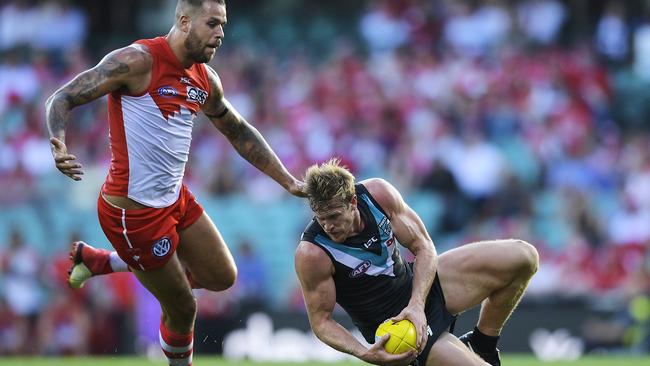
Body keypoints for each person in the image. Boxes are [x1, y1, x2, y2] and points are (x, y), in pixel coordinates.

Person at [45, 1, 303, 365]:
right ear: (184, 21)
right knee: (183, 307)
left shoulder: (205, 79)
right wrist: (57, 141)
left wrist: (289, 181)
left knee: (222, 276)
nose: (221, 34)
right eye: (212, 24)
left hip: (175, 199)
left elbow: (239, 131)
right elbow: (63, 96)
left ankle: (101, 262)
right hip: (133, 214)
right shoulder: (138, 61)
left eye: (223, 25)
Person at [295, 159, 539, 366]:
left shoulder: (378, 195)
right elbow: (321, 321)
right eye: (321, 218)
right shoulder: (312, 253)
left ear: (353, 202)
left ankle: (482, 344)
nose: (328, 226)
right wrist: (363, 352)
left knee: (524, 257)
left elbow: (424, 248)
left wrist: (416, 305)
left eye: (334, 216)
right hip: (399, 329)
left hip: (418, 287)